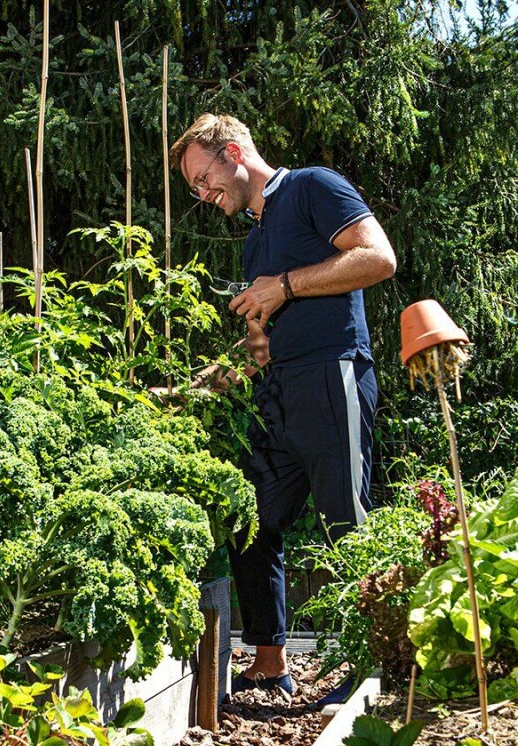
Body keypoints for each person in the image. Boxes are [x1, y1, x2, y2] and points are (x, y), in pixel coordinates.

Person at [166, 113, 396, 696]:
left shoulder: (313, 186)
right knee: (252, 519)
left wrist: (286, 285)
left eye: (202, 178)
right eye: (194, 187)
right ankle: (269, 659)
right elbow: (259, 346)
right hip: (276, 396)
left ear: (234, 153)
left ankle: (375, 668)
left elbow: (378, 258)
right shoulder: (254, 243)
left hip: (331, 374)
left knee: (347, 520)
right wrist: (206, 383)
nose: (202, 194)